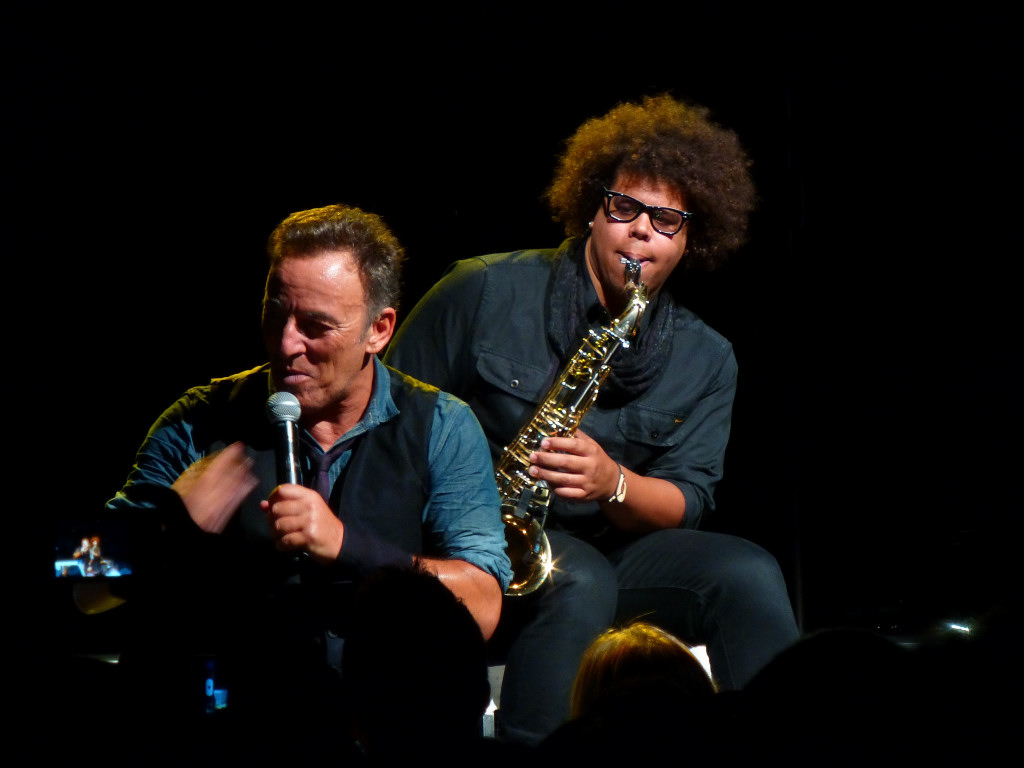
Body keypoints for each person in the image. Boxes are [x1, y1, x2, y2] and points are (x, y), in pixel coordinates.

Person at [384, 93, 800, 745]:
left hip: (607, 548)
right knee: (580, 578)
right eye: (625, 207)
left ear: (691, 238)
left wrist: (613, 483)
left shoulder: (709, 356)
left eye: (667, 219)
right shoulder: (483, 288)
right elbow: (390, 418)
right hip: (466, 539)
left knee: (747, 573)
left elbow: (688, 500)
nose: (641, 231)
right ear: (592, 208)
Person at [106, 204, 512, 734]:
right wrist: (165, 529)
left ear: (379, 330)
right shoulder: (200, 420)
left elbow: (481, 606)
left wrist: (347, 545)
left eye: (316, 327)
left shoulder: (441, 425)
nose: (286, 343)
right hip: (225, 718)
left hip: (382, 730)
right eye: (275, 314)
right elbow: (80, 581)